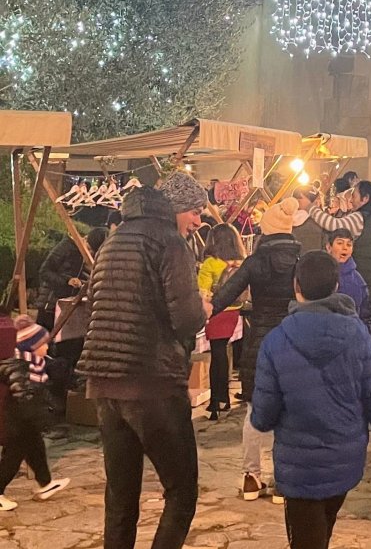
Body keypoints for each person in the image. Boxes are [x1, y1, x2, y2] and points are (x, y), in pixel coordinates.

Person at [79, 172, 208, 549]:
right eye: (195, 211)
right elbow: (185, 319)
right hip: (152, 383)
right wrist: (203, 307)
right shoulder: (169, 242)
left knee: (120, 497)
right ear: (176, 208)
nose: (199, 221)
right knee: (181, 492)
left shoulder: (112, 240)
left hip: (104, 385)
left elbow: (94, 305)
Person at [251, 252, 371, 549]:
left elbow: (262, 418)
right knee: (321, 531)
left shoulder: (276, 341)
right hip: (343, 460)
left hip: (298, 467)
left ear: (296, 286)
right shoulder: (358, 334)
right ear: (336, 286)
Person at [213, 197, 302, 504]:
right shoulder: (301, 261)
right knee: (289, 412)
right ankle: (281, 482)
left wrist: (204, 309)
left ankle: (251, 478)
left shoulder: (254, 261)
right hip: (294, 340)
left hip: (261, 341)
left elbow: (225, 295)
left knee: (254, 409)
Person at [0, 317, 70, 511]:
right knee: (13, 456)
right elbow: (24, 397)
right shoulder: (20, 366)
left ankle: (45, 483)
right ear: (32, 346)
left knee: (36, 448)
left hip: (26, 419)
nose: (47, 349)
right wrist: (39, 418)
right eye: (44, 345)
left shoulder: (35, 363)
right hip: (17, 420)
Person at [308, 180, 371, 313]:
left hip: (366, 283)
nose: (350, 201)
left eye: (353, 196)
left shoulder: (361, 218)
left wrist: (312, 208)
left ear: (365, 199)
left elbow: (333, 225)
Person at [198, 224, 247, 420]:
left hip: (216, 311)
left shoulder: (211, 263)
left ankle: (215, 401)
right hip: (234, 312)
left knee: (216, 355)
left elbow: (203, 291)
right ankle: (224, 397)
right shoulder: (241, 263)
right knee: (224, 354)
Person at [35, 227, 108, 331]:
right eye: (89, 248)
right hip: (50, 304)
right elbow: (44, 271)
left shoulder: (86, 258)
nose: (90, 253)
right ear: (85, 239)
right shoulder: (66, 247)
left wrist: (81, 284)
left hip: (68, 308)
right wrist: (67, 281)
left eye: (93, 252)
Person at [325, 228, 371, 330]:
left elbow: (365, 316)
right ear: (328, 247)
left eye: (349, 244)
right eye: (340, 243)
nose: (345, 248)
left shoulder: (358, 281)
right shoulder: (320, 274)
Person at [291, 187, 325, 253]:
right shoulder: (321, 223)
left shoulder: (283, 220)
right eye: (316, 201)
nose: (319, 203)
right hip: (315, 260)